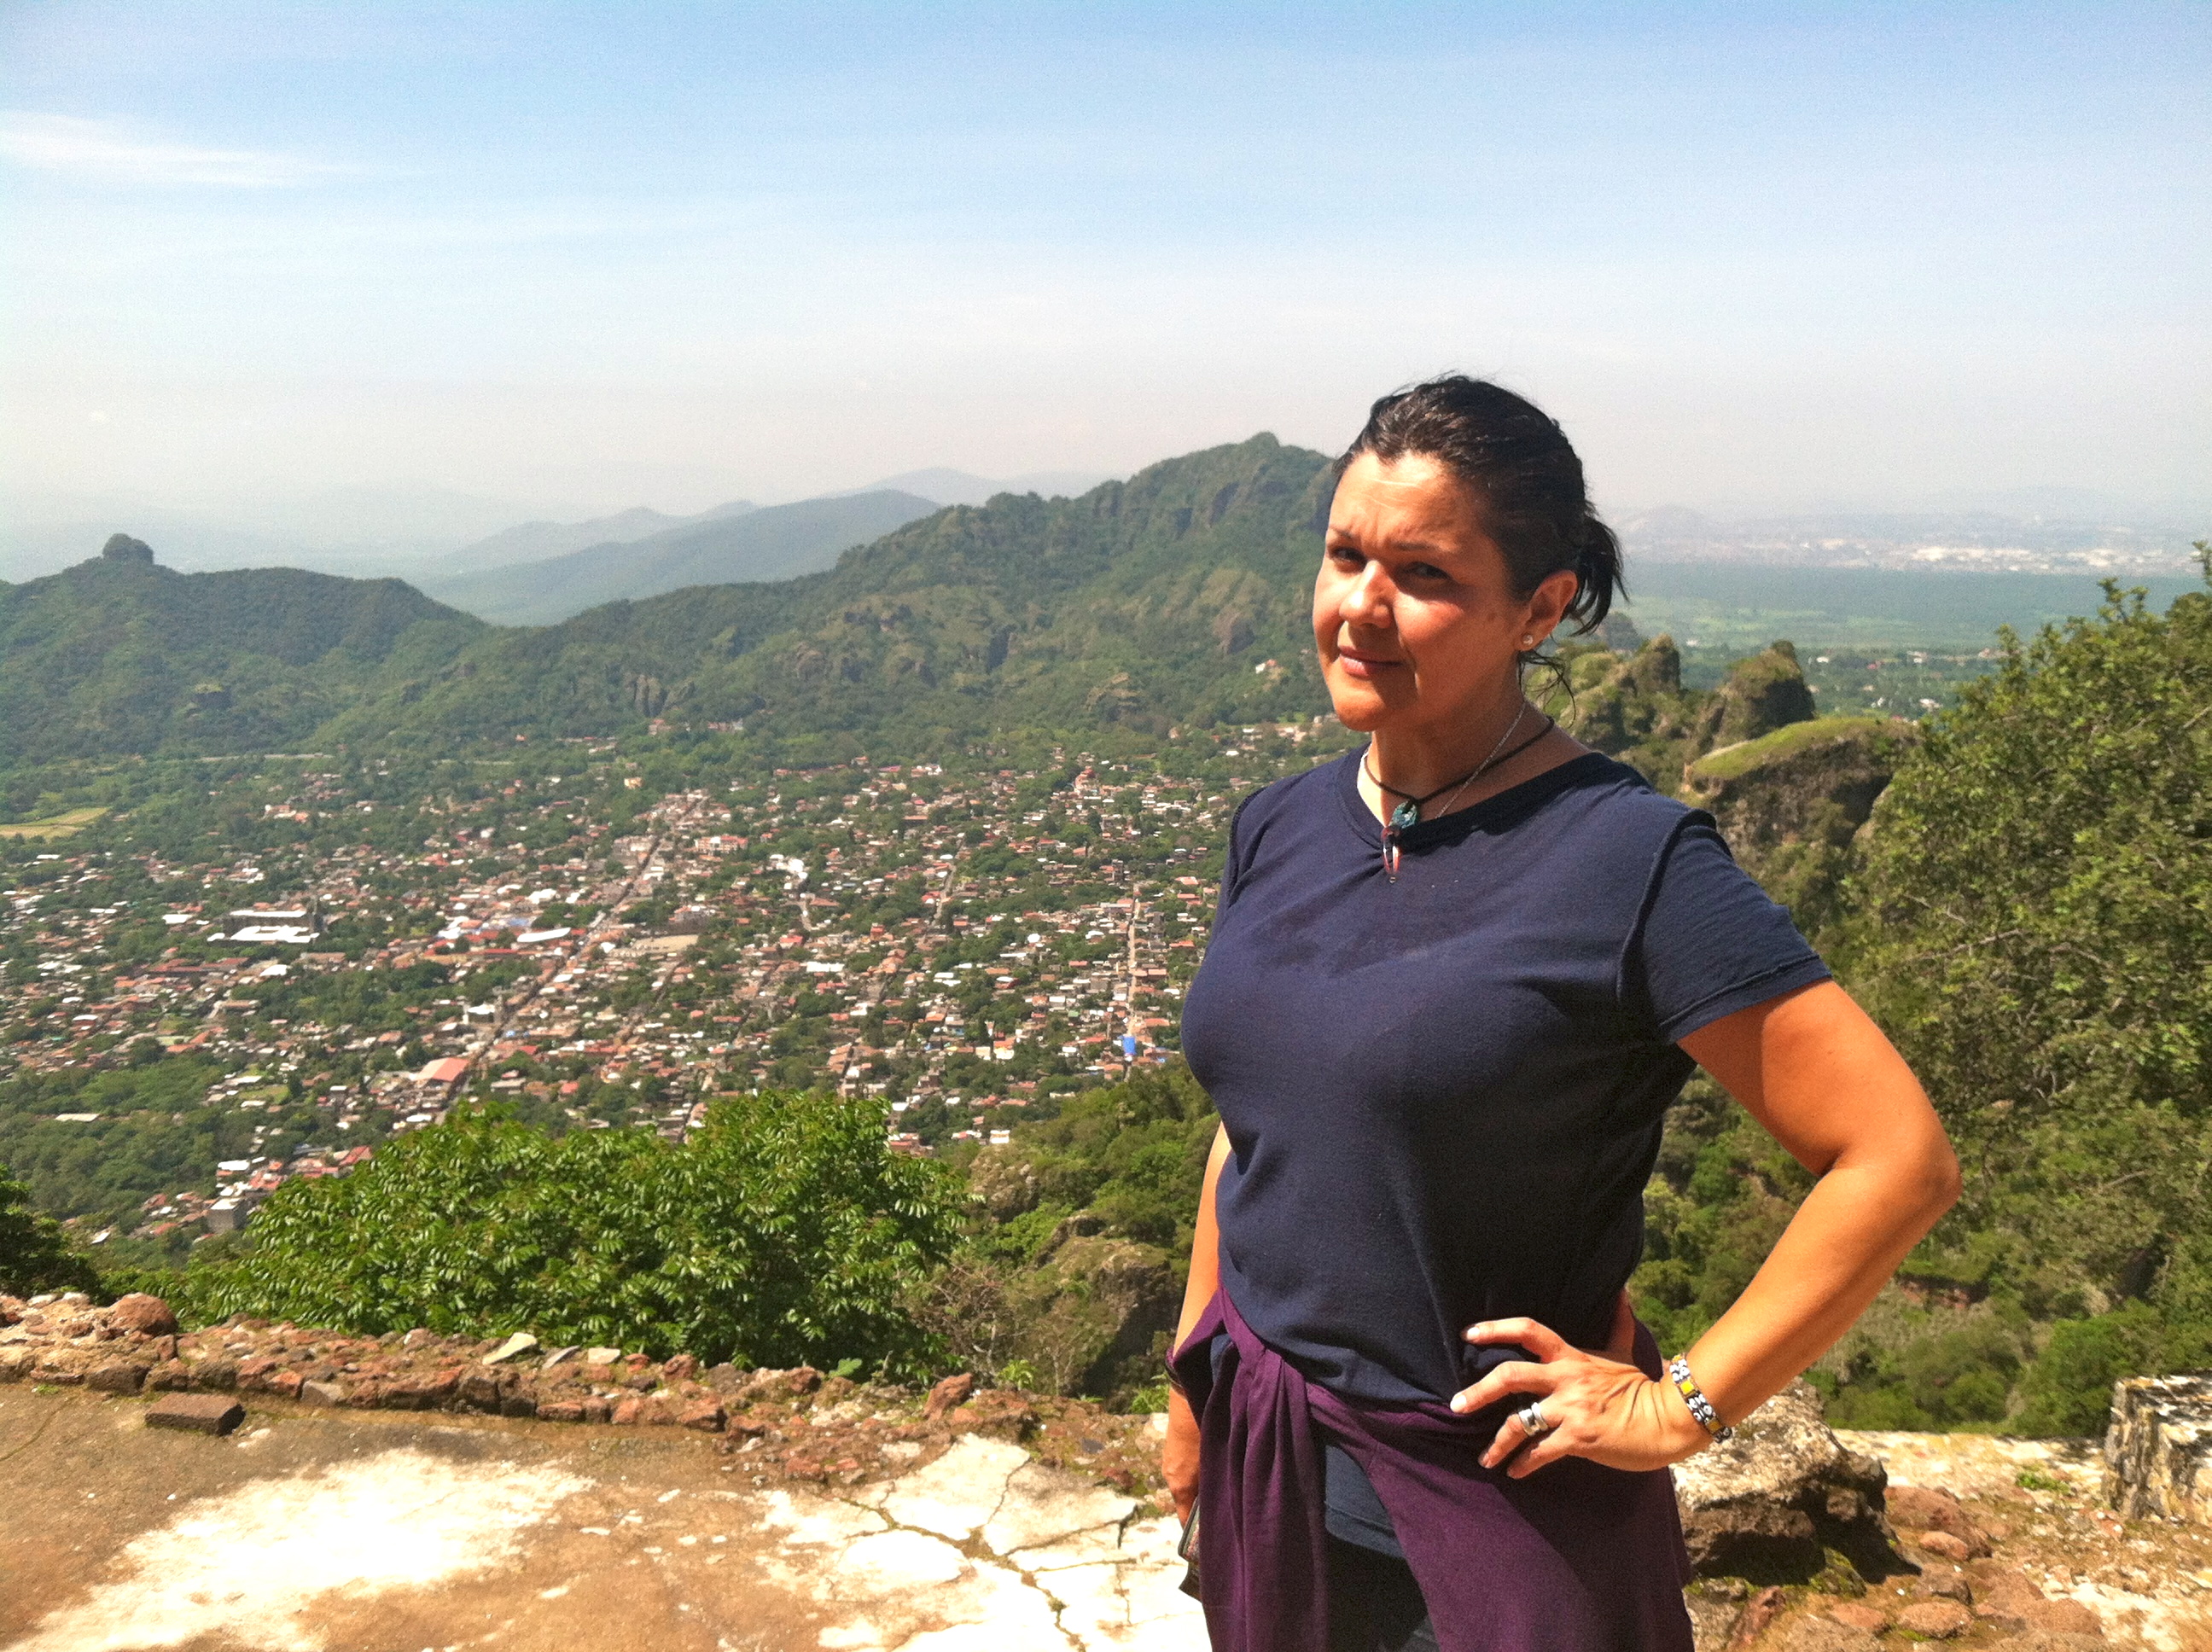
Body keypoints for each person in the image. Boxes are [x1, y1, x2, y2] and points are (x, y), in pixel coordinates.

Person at [1162, 375, 1959, 1652]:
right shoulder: (1281, 824)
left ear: (1541, 609)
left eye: (1423, 574)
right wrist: (1195, 1384)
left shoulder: (1626, 860)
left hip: (1501, 1503)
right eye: (1345, 553)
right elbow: (1252, 1126)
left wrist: (1680, 1407)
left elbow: (1895, 1157)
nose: (1363, 606)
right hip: (1276, 1467)